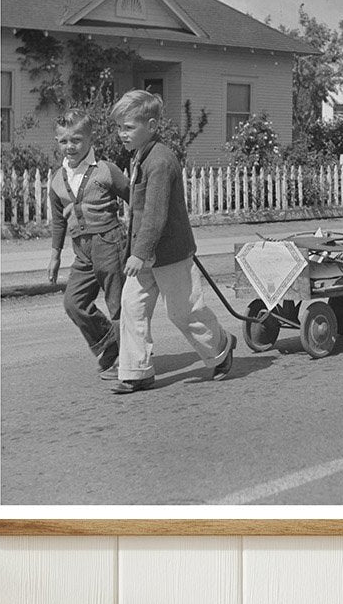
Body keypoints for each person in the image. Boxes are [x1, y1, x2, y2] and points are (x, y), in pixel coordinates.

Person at [105, 89, 235, 394]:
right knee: (132, 306)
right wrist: (112, 180)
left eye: (128, 127)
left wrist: (139, 253)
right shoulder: (142, 156)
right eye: (119, 127)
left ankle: (220, 347)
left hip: (169, 252)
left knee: (184, 312)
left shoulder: (160, 161)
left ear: (151, 126)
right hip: (145, 252)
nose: (122, 134)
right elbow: (139, 202)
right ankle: (136, 371)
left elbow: (155, 214)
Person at [47, 109, 130, 375]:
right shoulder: (57, 179)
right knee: (74, 302)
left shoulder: (105, 170)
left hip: (110, 243)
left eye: (76, 140)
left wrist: (140, 239)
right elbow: (59, 219)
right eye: (63, 141)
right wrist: (55, 254)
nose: (69, 147)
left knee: (117, 304)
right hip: (81, 251)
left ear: (90, 139)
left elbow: (135, 198)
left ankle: (131, 359)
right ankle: (109, 342)